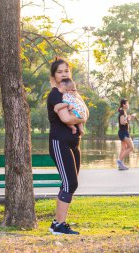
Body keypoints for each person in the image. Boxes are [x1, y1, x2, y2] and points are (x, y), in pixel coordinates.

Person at [47, 57, 88, 235]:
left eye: (66, 71)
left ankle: (58, 223)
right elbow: (66, 119)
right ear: (54, 76)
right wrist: (82, 119)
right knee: (69, 183)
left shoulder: (72, 92)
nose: (64, 74)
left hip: (74, 143)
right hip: (60, 142)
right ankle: (58, 226)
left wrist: (82, 116)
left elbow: (85, 111)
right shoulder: (56, 94)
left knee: (71, 183)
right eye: (60, 72)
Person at [117, 99, 135, 170]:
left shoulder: (124, 112)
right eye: (127, 104)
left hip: (123, 131)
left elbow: (124, 121)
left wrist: (129, 118)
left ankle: (120, 165)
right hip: (123, 132)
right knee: (131, 147)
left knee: (123, 149)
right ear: (124, 105)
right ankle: (120, 161)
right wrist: (128, 118)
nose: (128, 105)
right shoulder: (122, 112)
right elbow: (122, 122)